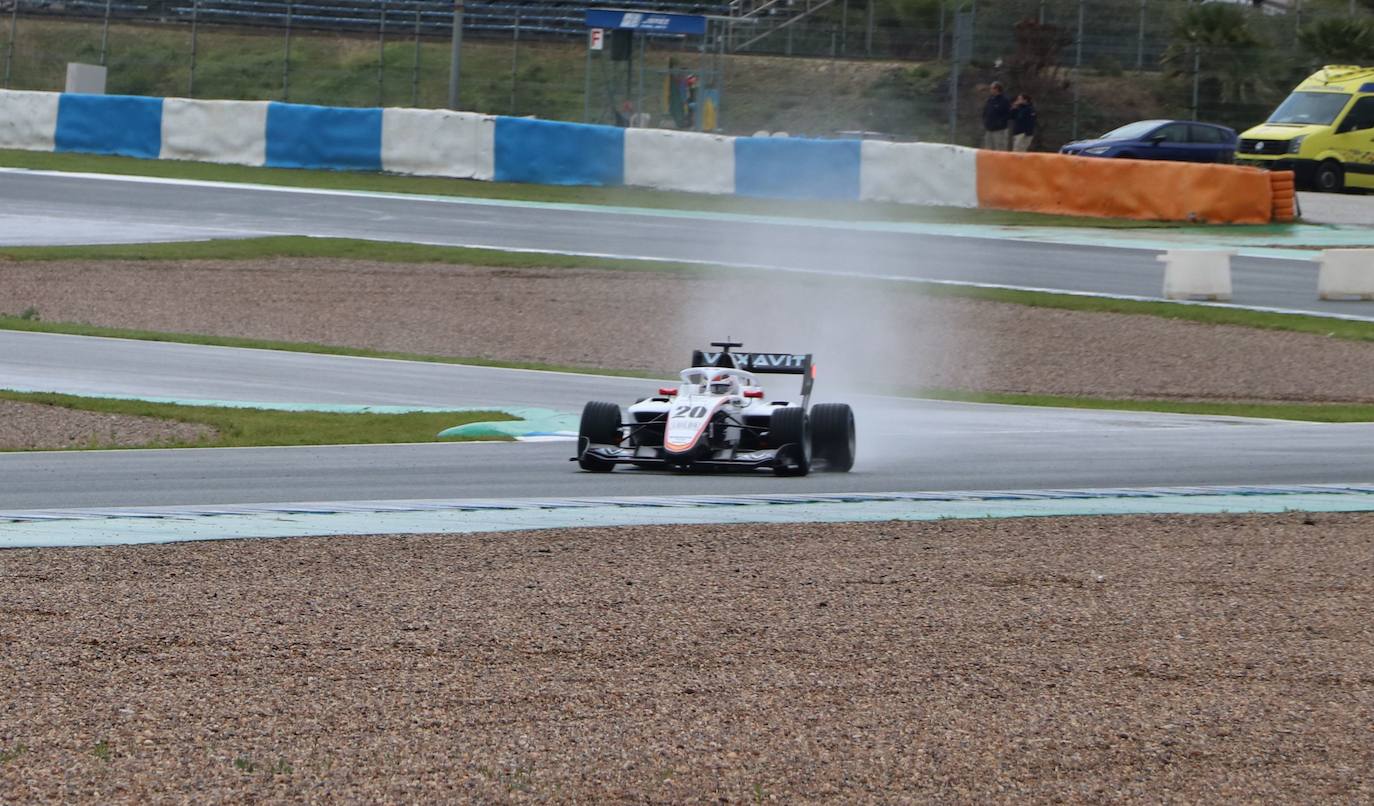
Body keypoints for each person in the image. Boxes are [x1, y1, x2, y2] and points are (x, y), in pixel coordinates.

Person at [982, 82, 1011, 151]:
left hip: (999, 130)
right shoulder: (990, 100)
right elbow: (985, 111)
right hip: (989, 129)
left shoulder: (1004, 100)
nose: (990, 90)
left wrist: (999, 123)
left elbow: (1008, 114)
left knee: (1000, 149)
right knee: (988, 149)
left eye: (991, 88)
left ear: (997, 89)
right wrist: (985, 121)